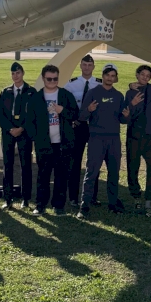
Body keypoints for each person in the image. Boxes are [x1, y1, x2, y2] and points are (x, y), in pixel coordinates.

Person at [77, 63, 129, 219]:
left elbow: (121, 119)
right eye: (107, 75)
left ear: (116, 78)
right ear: (103, 76)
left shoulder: (119, 96)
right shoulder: (93, 93)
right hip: (96, 138)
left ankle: (113, 203)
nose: (110, 78)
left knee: (113, 172)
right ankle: (84, 205)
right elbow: (81, 117)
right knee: (91, 172)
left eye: (113, 76)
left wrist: (126, 116)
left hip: (113, 139)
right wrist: (89, 110)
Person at [26, 64, 79, 216]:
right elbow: (30, 122)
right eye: (49, 79)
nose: (52, 81)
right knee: (43, 175)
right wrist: (37, 138)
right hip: (44, 144)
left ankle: (58, 205)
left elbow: (75, 114)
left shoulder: (65, 95)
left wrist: (62, 110)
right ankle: (40, 205)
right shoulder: (36, 98)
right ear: (43, 79)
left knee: (61, 176)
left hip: (63, 144)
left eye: (55, 79)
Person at [0, 61, 36, 210]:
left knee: (26, 165)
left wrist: (21, 128)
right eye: (13, 73)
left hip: (24, 133)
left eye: (18, 73)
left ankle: (26, 199)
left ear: (23, 73)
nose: (15, 76)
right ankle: (8, 198)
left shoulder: (31, 92)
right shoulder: (5, 92)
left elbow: (33, 114)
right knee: (8, 165)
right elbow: (0, 114)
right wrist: (10, 128)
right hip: (8, 133)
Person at [63, 54, 101, 207]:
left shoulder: (99, 84)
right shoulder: (71, 85)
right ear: (80, 66)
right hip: (78, 126)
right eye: (84, 65)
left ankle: (92, 196)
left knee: (94, 162)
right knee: (75, 162)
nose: (87, 68)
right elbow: (66, 105)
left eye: (90, 65)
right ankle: (73, 196)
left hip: (94, 126)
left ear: (93, 67)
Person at [124, 65, 151, 214]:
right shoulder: (130, 93)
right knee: (132, 167)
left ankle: (149, 199)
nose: (144, 77)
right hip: (134, 135)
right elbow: (125, 115)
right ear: (137, 75)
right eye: (142, 74)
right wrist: (132, 104)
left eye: (148, 76)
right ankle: (136, 196)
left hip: (149, 136)